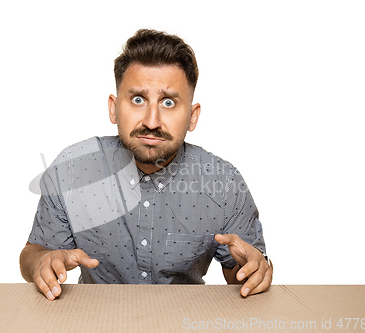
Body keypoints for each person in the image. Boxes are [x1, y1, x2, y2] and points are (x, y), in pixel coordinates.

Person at [20, 29, 273, 301]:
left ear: (192, 116)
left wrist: (254, 269)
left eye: (168, 102)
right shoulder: (71, 170)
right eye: (138, 99)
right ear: (113, 109)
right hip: (93, 320)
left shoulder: (224, 184)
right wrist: (41, 263)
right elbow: (33, 253)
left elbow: (241, 274)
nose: (152, 121)